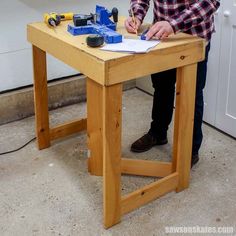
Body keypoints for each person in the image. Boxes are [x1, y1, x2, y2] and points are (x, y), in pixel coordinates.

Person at [125, 0, 220, 167]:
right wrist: (137, 15)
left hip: (194, 38)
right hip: (162, 39)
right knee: (161, 88)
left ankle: (190, 149)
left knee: (191, 94)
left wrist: (173, 24)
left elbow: (210, 2)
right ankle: (158, 133)